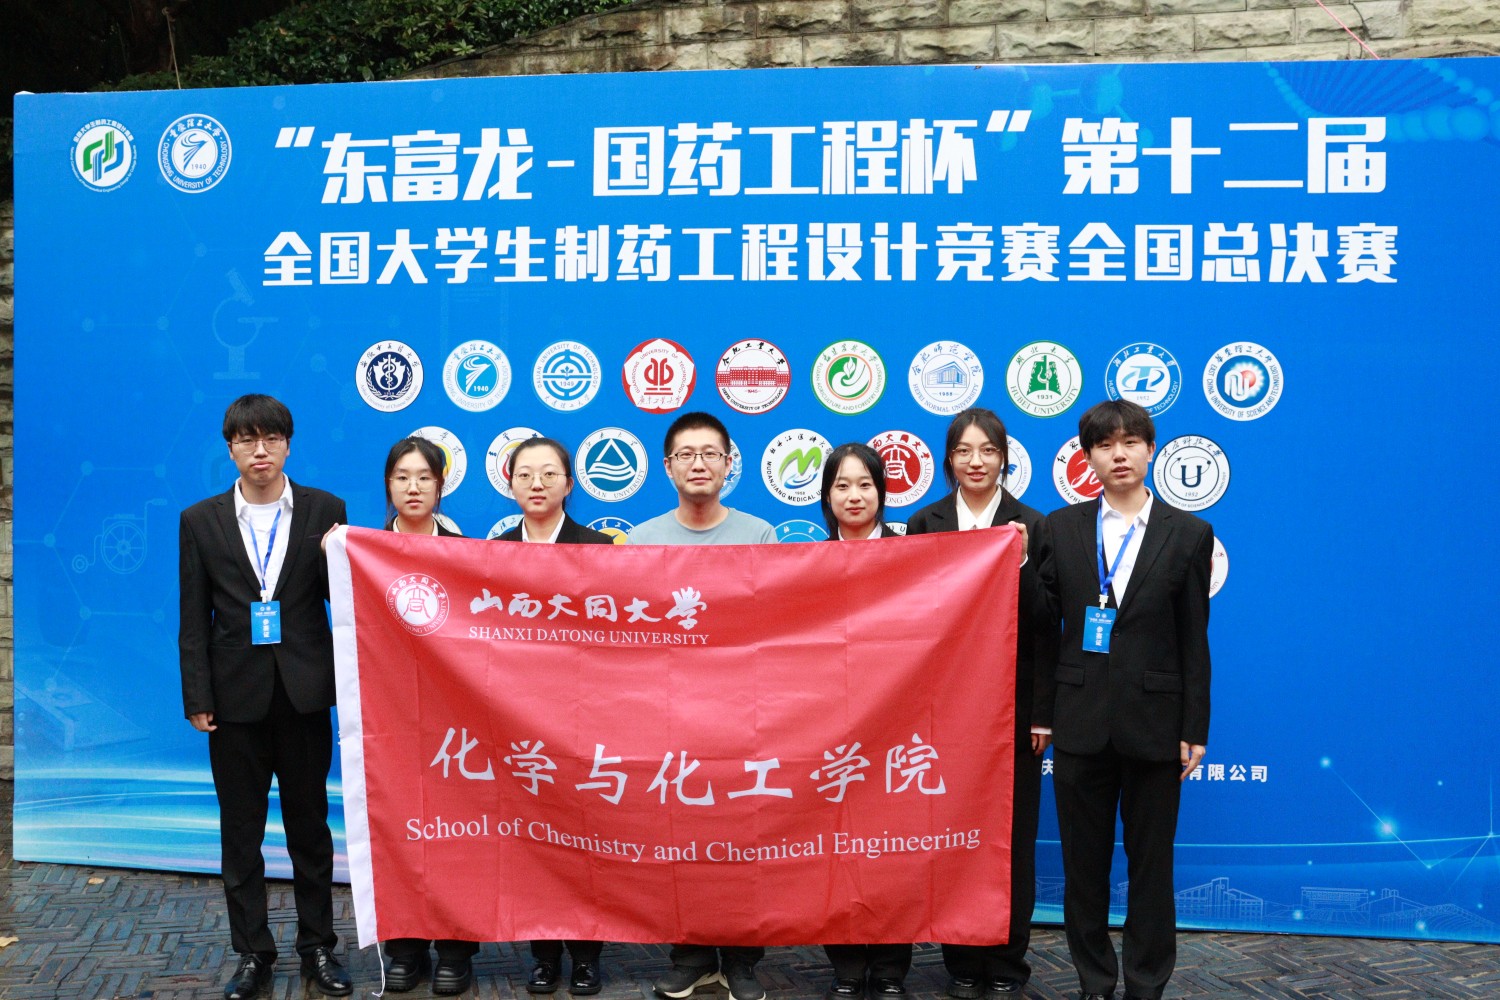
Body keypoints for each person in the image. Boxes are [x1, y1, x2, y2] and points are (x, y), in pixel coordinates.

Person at [178, 394, 351, 1000]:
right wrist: (197, 695)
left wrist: (340, 557)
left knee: (311, 829)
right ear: (230, 448)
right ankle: (253, 954)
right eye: (247, 439)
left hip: (304, 695)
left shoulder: (326, 510)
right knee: (241, 833)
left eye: (271, 438)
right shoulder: (199, 520)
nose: (260, 450)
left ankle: (318, 948)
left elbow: (342, 601)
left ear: (288, 445)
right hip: (233, 701)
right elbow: (193, 617)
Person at [1043, 399, 1212, 1000]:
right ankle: (1094, 978)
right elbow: (1041, 625)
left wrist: (1194, 727)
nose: (1119, 455)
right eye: (1105, 445)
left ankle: (1145, 982)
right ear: (1087, 456)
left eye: (1130, 442)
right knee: (1083, 868)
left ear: (1150, 449)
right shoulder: (1058, 529)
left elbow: (1194, 637)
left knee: (1152, 866)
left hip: (1155, 725)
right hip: (1080, 721)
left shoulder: (1188, 533)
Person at [904, 407, 1054, 1000]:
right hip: (944, 712)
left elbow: (1047, 626)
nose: (975, 461)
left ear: (1004, 459)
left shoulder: (1033, 526)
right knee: (952, 836)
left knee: (1011, 842)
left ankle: (1007, 963)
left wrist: (1020, 561)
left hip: (1013, 711)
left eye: (987, 451)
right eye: (964, 451)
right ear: (949, 459)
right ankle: (961, 959)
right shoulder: (926, 523)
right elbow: (910, 619)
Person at [628, 411, 775, 1000]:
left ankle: (741, 959)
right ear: (668, 467)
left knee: (743, 836)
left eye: (710, 453)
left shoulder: (759, 535)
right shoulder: (641, 541)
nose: (698, 464)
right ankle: (689, 955)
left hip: (742, 715)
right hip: (667, 715)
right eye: (686, 454)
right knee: (678, 839)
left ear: (728, 464)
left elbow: (775, 628)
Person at [495, 437, 613, 996]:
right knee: (536, 839)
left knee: (587, 839)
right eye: (525, 474)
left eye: (549, 473)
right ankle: (543, 955)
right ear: (510, 484)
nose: (537, 483)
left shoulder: (599, 548)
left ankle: (587, 955)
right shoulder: (492, 553)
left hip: (588, 718)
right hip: (520, 720)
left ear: (569, 483)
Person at [376, 436, 481, 995]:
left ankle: (456, 948)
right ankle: (405, 947)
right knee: (398, 827)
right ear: (388, 486)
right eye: (402, 477)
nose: (413, 488)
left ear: (441, 487)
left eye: (424, 478)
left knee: (456, 832)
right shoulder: (363, 552)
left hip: (454, 719)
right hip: (390, 715)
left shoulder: (468, 552)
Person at [816, 442, 912, 999]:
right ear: (826, 496)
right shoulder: (806, 564)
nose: (854, 496)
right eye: (842, 486)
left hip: (898, 722)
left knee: (895, 843)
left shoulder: (914, 555)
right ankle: (847, 964)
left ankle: (892, 965)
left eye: (865, 485)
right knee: (837, 844)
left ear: (881, 492)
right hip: (830, 728)